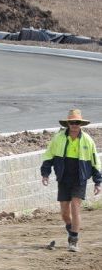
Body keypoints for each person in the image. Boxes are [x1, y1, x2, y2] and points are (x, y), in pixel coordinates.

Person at [40, 108, 101, 252]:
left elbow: (95, 162)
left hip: (79, 179)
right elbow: (49, 156)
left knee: (75, 208)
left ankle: (73, 241)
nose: (74, 125)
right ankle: (71, 229)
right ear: (68, 123)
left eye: (77, 122)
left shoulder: (87, 140)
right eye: (72, 122)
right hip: (63, 178)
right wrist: (45, 174)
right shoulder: (58, 138)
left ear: (81, 124)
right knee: (64, 213)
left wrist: (98, 182)